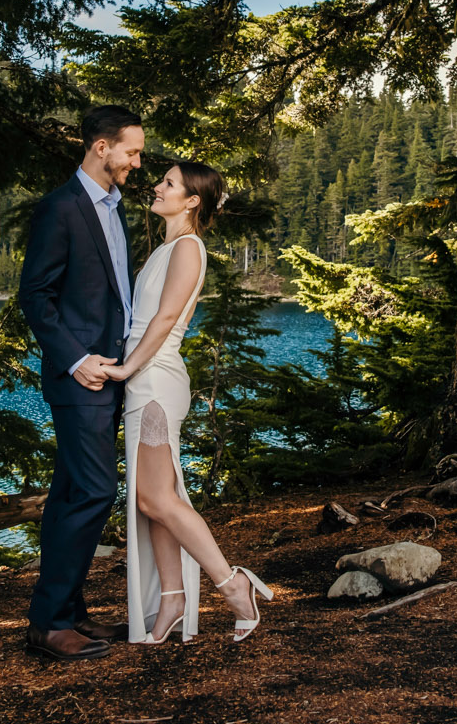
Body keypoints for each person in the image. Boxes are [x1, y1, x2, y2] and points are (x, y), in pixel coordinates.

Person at [100, 159, 272, 644]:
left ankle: (233, 585)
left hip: (154, 381)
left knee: (156, 497)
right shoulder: (168, 247)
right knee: (150, 499)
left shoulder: (190, 248)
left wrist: (126, 369)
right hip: (143, 380)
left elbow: (166, 318)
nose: (157, 186)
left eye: (169, 183)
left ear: (192, 201)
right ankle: (171, 599)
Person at [17, 105, 143, 662]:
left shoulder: (114, 209)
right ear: (100, 147)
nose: (137, 162)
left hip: (113, 375)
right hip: (81, 380)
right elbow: (35, 297)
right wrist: (75, 361)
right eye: (131, 151)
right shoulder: (60, 208)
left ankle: (70, 612)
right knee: (94, 491)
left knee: (71, 491)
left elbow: (113, 294)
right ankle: (48, 623)